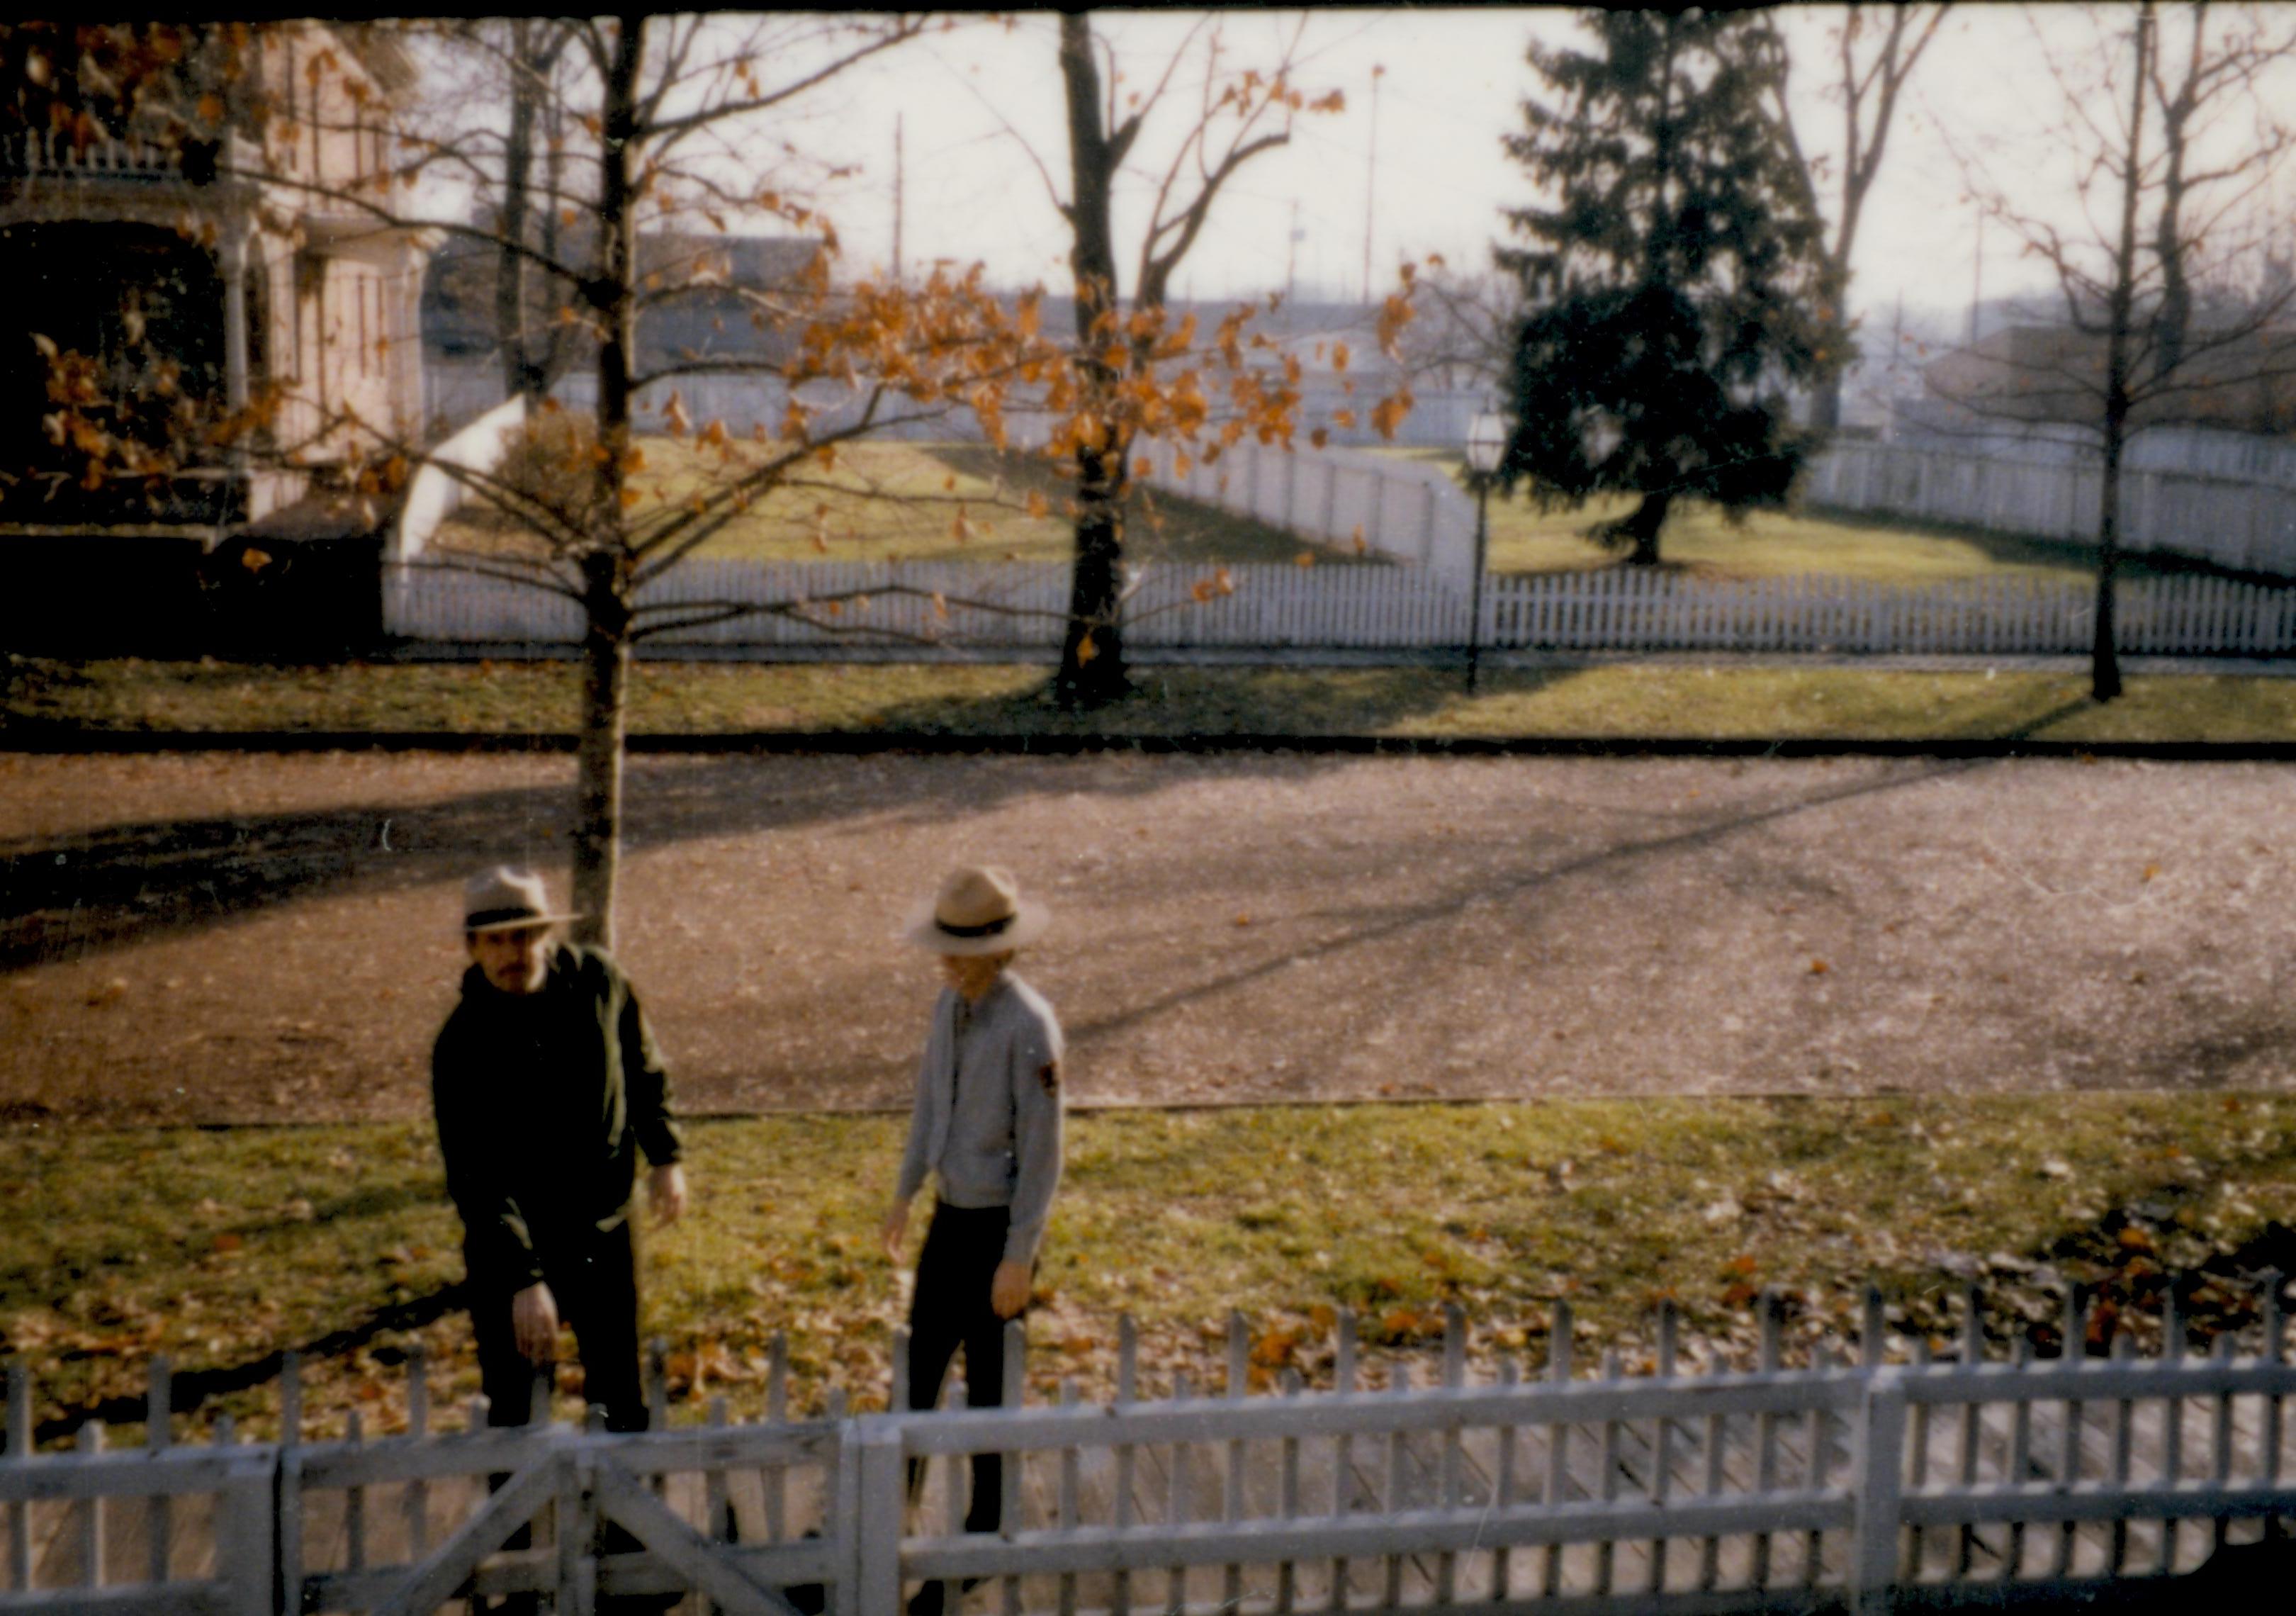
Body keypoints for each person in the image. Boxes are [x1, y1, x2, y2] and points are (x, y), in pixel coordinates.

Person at [432, 865, 687, 1435]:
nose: (510, 953)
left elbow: (643, 1067)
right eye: (494, 941)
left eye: (523, 936)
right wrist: (524, 1278)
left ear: (546, 935)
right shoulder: (460, 1045)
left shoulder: (599, 981)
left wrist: (666, 1156)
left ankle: (625, 1525)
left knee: (620, 1396)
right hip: (518, 1245)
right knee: (515, 1410)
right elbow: (475, 1179)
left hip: (605, 1228)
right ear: (473, 949)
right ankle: (518, 1525)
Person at [882, 865, 1064, 1553]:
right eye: (942, 946)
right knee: (919, 1368)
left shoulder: (1031, 1027)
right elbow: (931, 1102)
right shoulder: (947, 1007)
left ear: (998, 948)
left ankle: (988, 1527)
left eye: (958, 949)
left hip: (999, 1232)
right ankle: (892, 1512)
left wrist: (1019, 1255)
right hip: (950, 1219)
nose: (944, 961)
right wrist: (905, 1192)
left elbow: (1044, 1156)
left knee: (991, 1385)